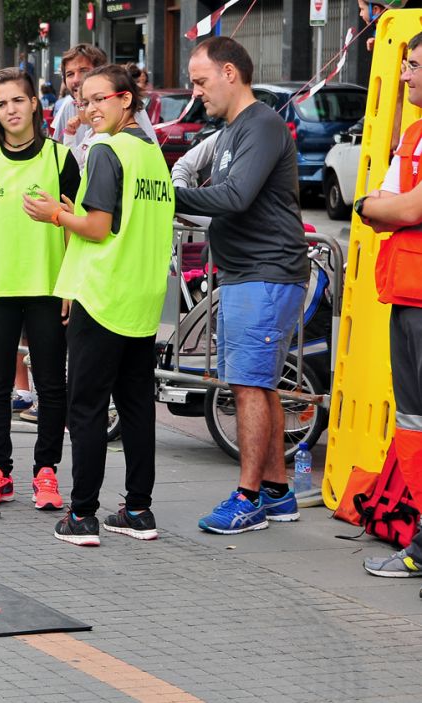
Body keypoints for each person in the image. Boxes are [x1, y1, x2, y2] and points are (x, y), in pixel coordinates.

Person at [23, 64, 174, 546]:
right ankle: (138, 510)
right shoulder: (153, 155)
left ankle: (83, 514)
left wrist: (56, 214)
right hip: (142, 298)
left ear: (125, 100)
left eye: (97, 99)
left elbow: (98, 226)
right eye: (82, 101)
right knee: (136, 408)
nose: (88, 110)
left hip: (102, 292)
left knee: (86, 407)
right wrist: (74, 214)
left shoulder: (107, 149)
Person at [174, 37, 310, 535]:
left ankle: (248, 498)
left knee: (250, 386)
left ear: (230, 72)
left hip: (266, 273)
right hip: (246, 274)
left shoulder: (262, 124)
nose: (196, 93)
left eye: (201, 81)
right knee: (255, 384)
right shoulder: (232, 130)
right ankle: (276, 492)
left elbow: (234, 196)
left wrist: (165, 195)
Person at [0, 68, 79, 511]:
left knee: (51, 385)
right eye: (0, 104)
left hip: (49, 288)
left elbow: (75, 228)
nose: (10, 109)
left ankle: (46, 472)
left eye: (17, 100)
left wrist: (71, 285)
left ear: (34, 104)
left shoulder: (61, 159)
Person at [349, 31, 422, 582]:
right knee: (412, 421)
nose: (405, 74)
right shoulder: (414, 133)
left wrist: (379, 205)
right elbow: (381, 203)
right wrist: (379, 205)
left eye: (414, 65)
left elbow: (408, 207)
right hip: (405, 296)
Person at [51, 44, 157, 167]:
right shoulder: (68, 106)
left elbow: (151, 158)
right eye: (70, 74)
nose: (76, 79)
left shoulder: (124, 107)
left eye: (84, 71)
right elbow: (61, 155)